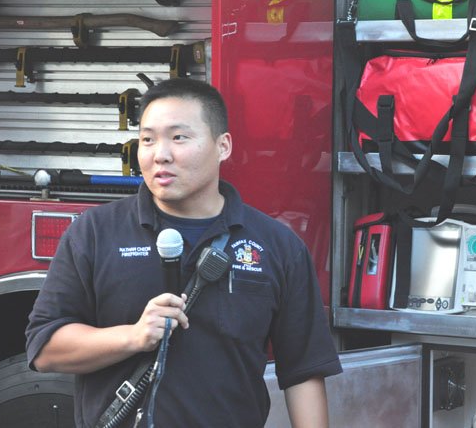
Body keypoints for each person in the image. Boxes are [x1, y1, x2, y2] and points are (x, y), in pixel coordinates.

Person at [25, 78, 342, 428]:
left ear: (223, 146)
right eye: (147, 139)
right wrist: (134, 337)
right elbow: (44, 348)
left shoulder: (277, 247)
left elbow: (304, 371)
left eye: (178, 137)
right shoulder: (95, 232)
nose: (160, 153)